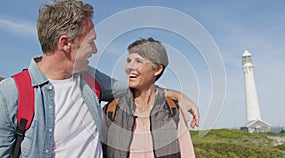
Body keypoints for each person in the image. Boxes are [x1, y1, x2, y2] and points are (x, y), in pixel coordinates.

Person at [0, 0, 198, 158]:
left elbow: (137, 88)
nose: (95, 50)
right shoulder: (12, 93)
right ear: (65, 43)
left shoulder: (90, 78)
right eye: (90, 42)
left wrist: (177, 95)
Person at [103, 38, 195, 158]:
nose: (130, 67)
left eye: (138, 61)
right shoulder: (112, 110)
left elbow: (187, 154)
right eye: (129, 61)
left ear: (157, 69)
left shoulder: (173, 111)